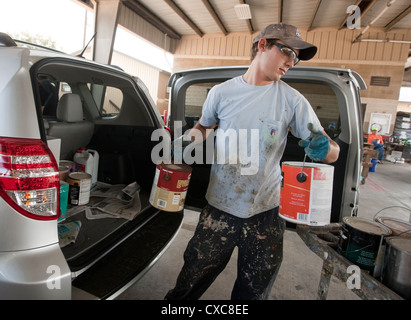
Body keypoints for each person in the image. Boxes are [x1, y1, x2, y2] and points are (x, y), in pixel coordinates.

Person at [166, 23, 340, 300]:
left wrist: (325, 149)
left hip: (266, 213)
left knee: (253, 292)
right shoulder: (221, 93)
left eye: (295, 58)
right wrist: (190, 138)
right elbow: (204, 127)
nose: (290, 62)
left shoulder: (292, 100)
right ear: (262, 45)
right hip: (219, 207)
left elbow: (332, 151)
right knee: (189, 283)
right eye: (287, 52)